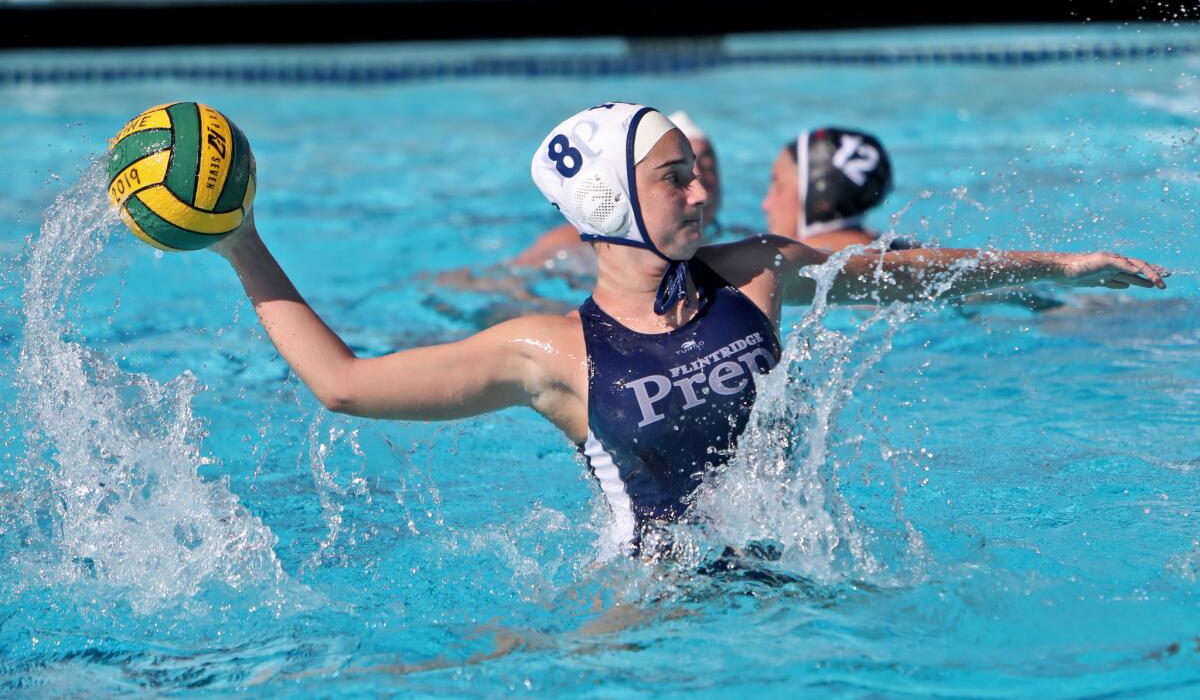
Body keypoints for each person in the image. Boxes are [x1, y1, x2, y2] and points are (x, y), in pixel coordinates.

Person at [211, 102, 1168, 556]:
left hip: (805, 578)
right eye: (676, 177)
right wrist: (242, 243)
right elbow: (343, 383)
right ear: (608, 198)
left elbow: (912, 278)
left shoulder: (752, 271)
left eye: (695, 173)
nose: (703, 190)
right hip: (649, 617)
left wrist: (1059, 266)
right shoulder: (549, 351)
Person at [510, 111, 723, 271]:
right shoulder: (569, 242)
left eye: (707, 165)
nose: (700, 187)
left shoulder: (728, 239)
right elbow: (508, 280)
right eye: (674, 176)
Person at [762, 126, 914, 251]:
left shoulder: (784, 262)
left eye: (778, 186)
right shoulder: (909, 253)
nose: (766, 204)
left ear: (820, 198)